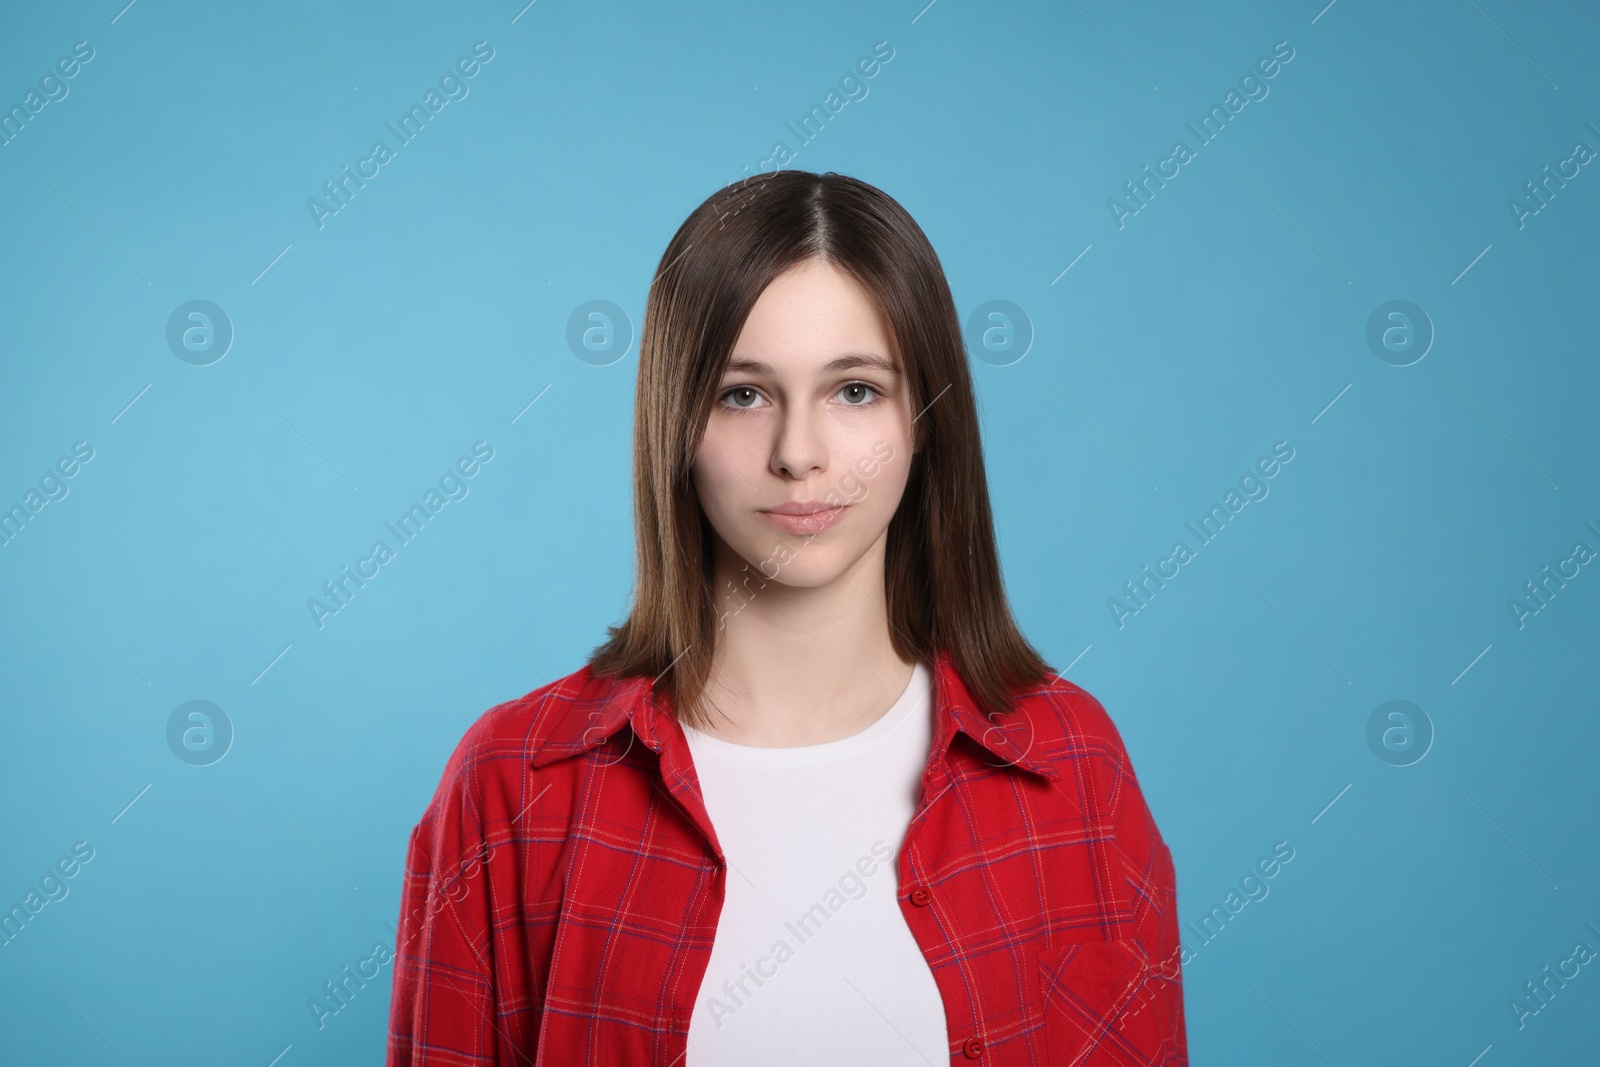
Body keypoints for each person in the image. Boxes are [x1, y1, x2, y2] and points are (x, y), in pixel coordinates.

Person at [386, 170, 1187, 1065]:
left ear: (926, 419)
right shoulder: (512, 785)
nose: (799, 454)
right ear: (674, 427)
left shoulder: (1072, 765)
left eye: (855, 390)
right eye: (743, 393)